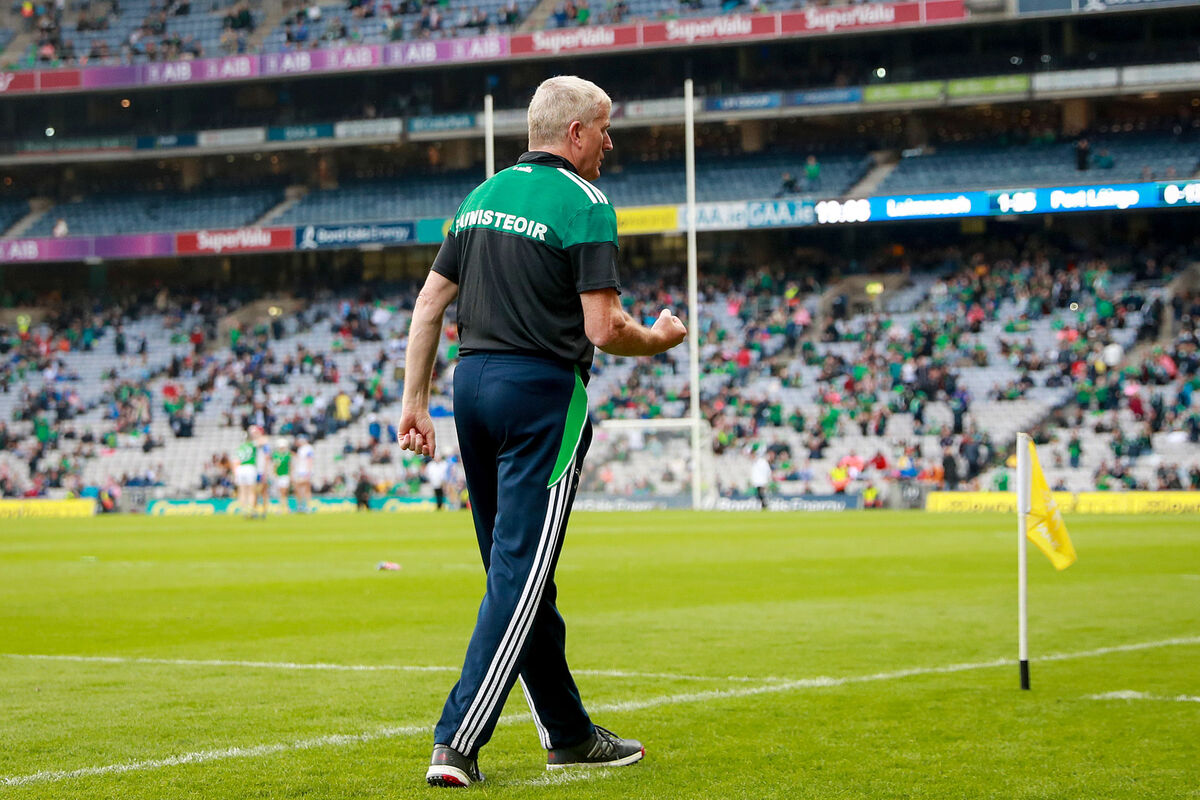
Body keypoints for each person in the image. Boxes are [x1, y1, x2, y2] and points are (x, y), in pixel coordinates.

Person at [397, 75, 687, 787]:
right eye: (605, 128)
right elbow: (603, 328)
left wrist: (413, 401)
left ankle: (569, 734)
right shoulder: (586, 203)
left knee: (521, 573)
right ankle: (456, 741)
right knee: (519, 575)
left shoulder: (481, 197)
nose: (610, 144)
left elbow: (431, 303)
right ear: (576, 133)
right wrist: (660, 338)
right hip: (542, 396)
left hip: (471, 388)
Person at [234, 425, 261, 517]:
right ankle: (251, 510)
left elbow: (236, 461)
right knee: (251, 491)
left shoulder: (240, 447)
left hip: (240, 469)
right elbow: (262, 441)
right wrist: (256, 433)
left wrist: (235, 473)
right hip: (250, 467)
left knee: (242, 491)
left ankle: (244, 510)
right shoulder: (252, 445)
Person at [294, 435, 315, 512]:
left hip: (305, 472)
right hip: (300, 471)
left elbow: (310, 460)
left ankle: (306, 506)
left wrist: (308, 472)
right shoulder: (301, 449)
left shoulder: (308, 448)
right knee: (302, 489)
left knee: (305, 489)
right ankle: (302, 506)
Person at [271, 437, 292, 513]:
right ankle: (284, 508)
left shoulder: (287, 455)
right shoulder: (276, 455)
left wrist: (290, 474)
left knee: (284, 492)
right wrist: (274, 473)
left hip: (285, 475)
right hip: (278, 475)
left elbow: (290, 466)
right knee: (281, 493)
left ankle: (283, 508)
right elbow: (275, 466)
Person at [749, 445, 771, 509]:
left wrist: (767, 479)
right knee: (759, 494)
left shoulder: (762, 461)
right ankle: (763, 505)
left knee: (761, 494)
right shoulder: (755, 462)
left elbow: (767, 471)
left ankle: (764, 505)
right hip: (757, 481)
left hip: (761, 481)